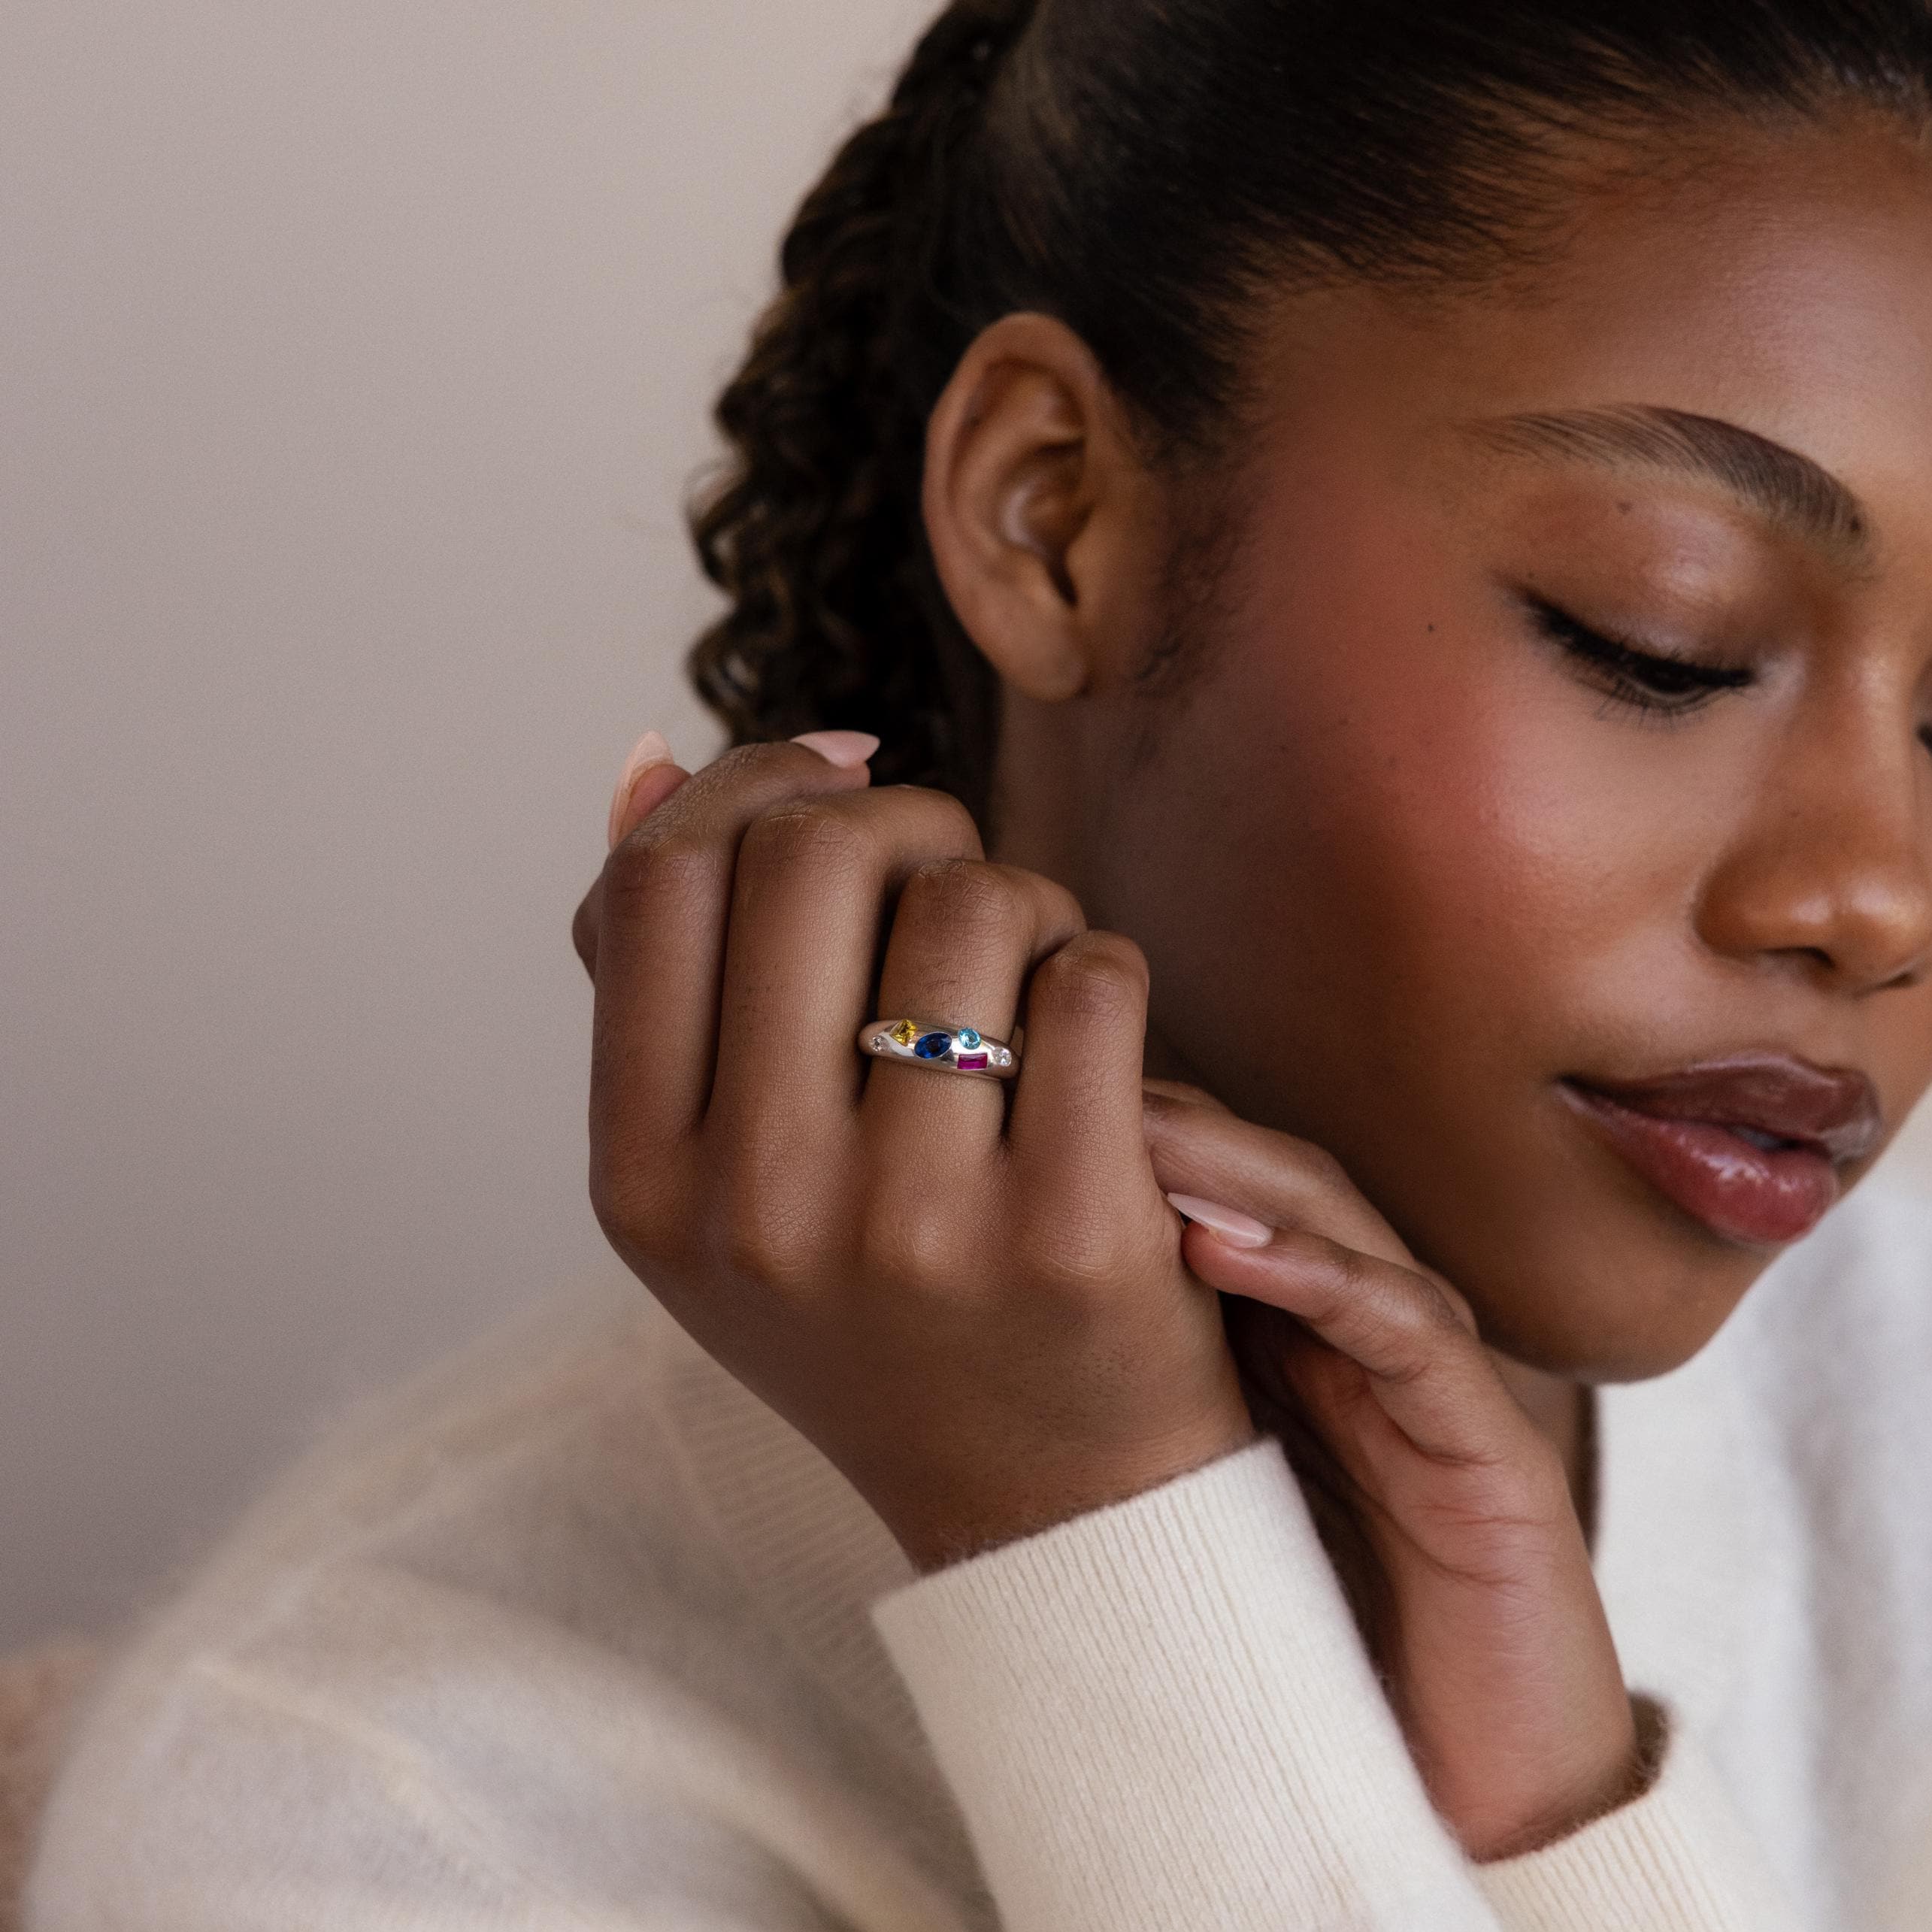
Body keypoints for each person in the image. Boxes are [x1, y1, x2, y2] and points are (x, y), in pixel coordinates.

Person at [26, 0, 1932, 1924]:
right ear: (1052, 511)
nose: (1878, 896)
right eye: (1657, 640)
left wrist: (1562, 1804)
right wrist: (1105, 1549)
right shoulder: (369, 1807)